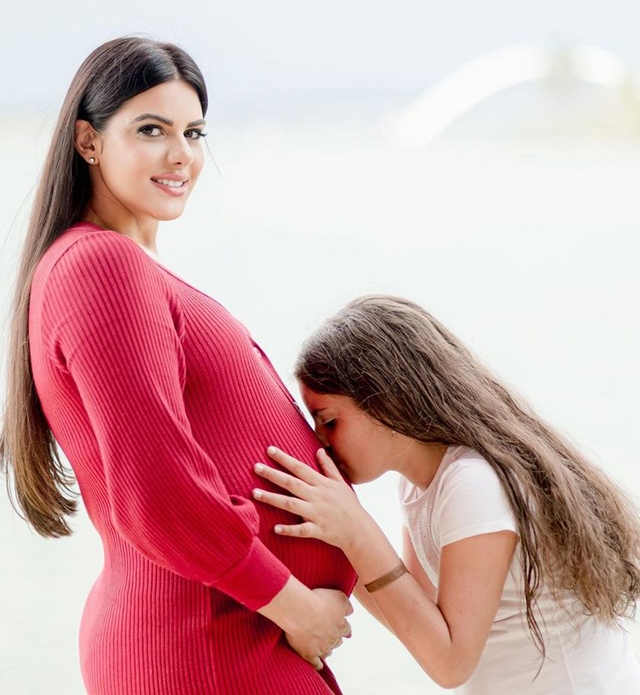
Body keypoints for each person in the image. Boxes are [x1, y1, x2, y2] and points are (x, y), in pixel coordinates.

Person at [0, 37, 355, 695]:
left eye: (192, 131)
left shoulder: (121, 269)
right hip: (205, 639)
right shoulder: (100, 267)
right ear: (89, 142)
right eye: (151, 130)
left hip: (228, 632)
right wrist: (296, 606)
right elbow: (158, 493)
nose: (181, 154)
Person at [252, 294, 640, 693]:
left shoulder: (473, 483)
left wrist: (356, 531)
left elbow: (450, 662)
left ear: (388, 400)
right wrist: (334, 542)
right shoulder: (423, 484)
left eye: (329, 421)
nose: (320, 441)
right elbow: (415, 617)